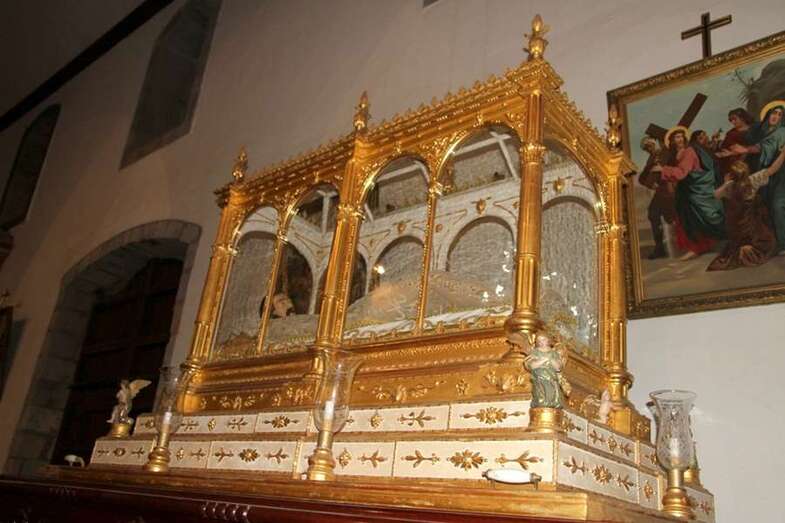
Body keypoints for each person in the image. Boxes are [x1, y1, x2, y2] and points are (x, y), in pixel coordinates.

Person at [651, 126, 725, 261]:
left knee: (692, 219)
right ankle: (698, 246)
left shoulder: (689, 152)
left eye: (681, 136)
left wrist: (663, 170)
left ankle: (696, 248)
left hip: (694, 190)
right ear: (671, 140)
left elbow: (681, 173)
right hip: (684, 191)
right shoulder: (674, 154)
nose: (679, 139)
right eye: (676, 137)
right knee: (684, 219)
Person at [708, 156, 782, 271]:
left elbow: (715, 195)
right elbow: (772, 169)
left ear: (731, 176)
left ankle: (745, 248)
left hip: (739, 224)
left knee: (743, 237)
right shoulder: (752, 180)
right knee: (766, 240)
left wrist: (725, 183)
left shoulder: (730, 186)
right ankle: (748, 249)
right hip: (752, 223)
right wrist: (783, 154)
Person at [732, 101, 785, 255]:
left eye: (779, 115)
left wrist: (745, 150)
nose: (775, 117)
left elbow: (765, 148)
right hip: (769, 174)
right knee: (765, 205)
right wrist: (742, 152)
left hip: (781, 174)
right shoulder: (764, 131)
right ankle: (774, 241)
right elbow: (761, 147)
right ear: (768, 115)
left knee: (777, 206)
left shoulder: (782, 132)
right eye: (774, 113)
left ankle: (783, 244)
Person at [638, 135, 676, 259]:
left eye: (650, 145)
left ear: (655, 141)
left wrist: (663, 169)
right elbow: (642, 178)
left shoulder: (667, 153)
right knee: (653, 214)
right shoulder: (651, 159)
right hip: (661, 192)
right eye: (646, 148)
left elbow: (677, 168)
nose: (649, 149)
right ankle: (660, 249)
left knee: (674, 217)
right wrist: (651, 184)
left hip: (672, 189)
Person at [524, 332, 570, 409]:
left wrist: (550, 359)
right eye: (539, 340)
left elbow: (558, 367)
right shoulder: (535, 352)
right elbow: (531, 366)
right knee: (540, 393)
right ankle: (541, 403)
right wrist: (544, 360)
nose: (541, 342)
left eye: (543, 340)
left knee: (553, 392)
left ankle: (553, 403)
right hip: (539, 378)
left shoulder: (553, 353)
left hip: (552, 377)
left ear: (548, 340)